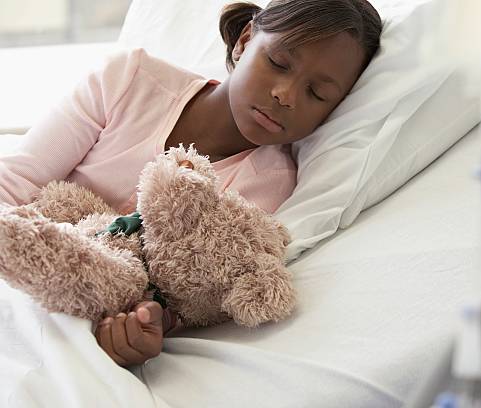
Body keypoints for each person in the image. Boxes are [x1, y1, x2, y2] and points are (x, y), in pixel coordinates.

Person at [0, 0, 382, 366]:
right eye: (278, 63)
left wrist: (147, 325)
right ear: (245, 41)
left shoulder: (271, 187)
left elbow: (186, 288)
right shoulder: (127, 80)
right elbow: (14, 181)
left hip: (83, 306)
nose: (285, 95)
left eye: (316, 94)